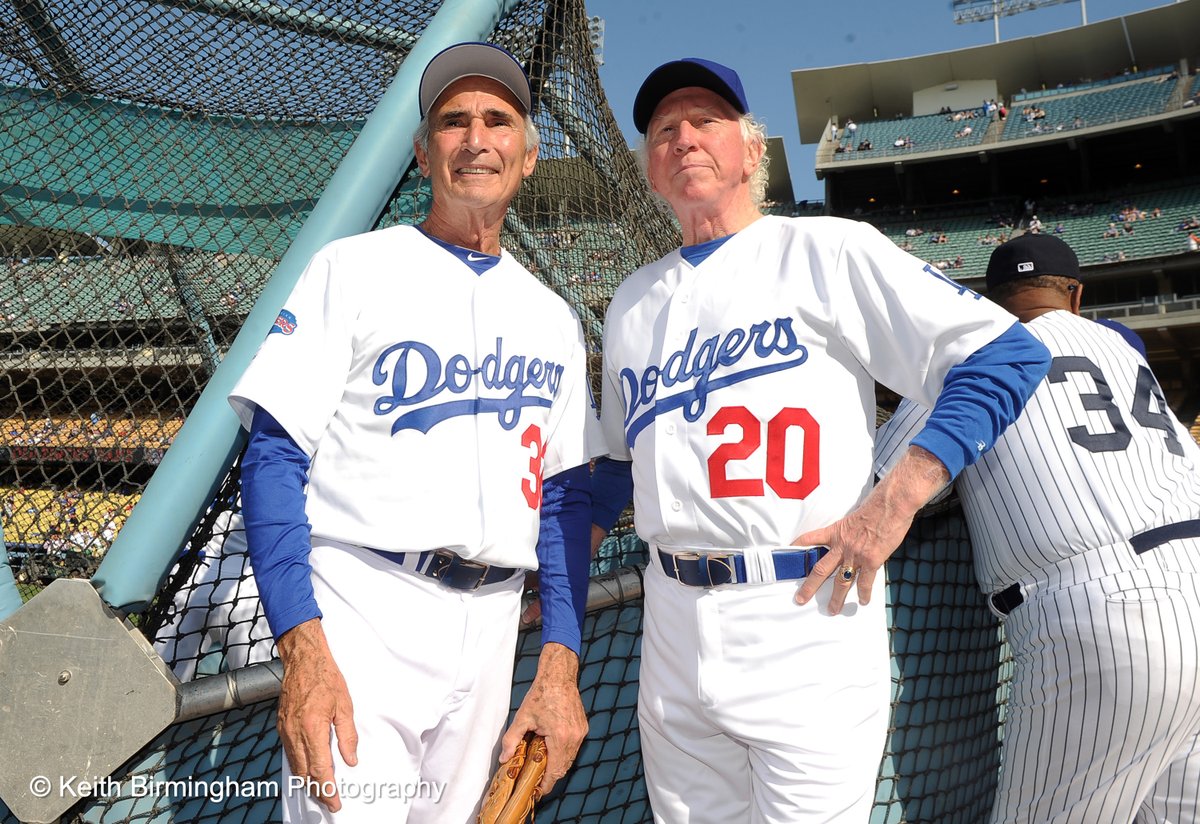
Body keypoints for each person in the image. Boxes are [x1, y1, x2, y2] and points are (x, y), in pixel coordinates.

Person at [589, 57, 1050, 822]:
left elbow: (1005, 353)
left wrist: (892, 504)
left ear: (751, 148)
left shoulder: (827, 250)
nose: (683, 137)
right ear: (649, 167)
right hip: (670, 625)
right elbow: (612, 466)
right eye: (665, 129)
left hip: (803, 606)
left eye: (705, 120)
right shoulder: (631, 304)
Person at [228, 42, 596, 822]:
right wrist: (303, 648)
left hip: (495, 622)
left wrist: (558, 669)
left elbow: (562, 503)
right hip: (365, 606)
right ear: (425, 153)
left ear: (527, 157)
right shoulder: (352, 267)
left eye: (497, 120)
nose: (475, 138)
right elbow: (271, 457)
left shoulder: (555, 318)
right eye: (452, 122)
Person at [876, 233, 1200, 824]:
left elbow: (884, 482)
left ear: (989, 300)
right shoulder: (1122, 348)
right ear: (1075, 295)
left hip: (1108, 617)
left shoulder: (978, 347)